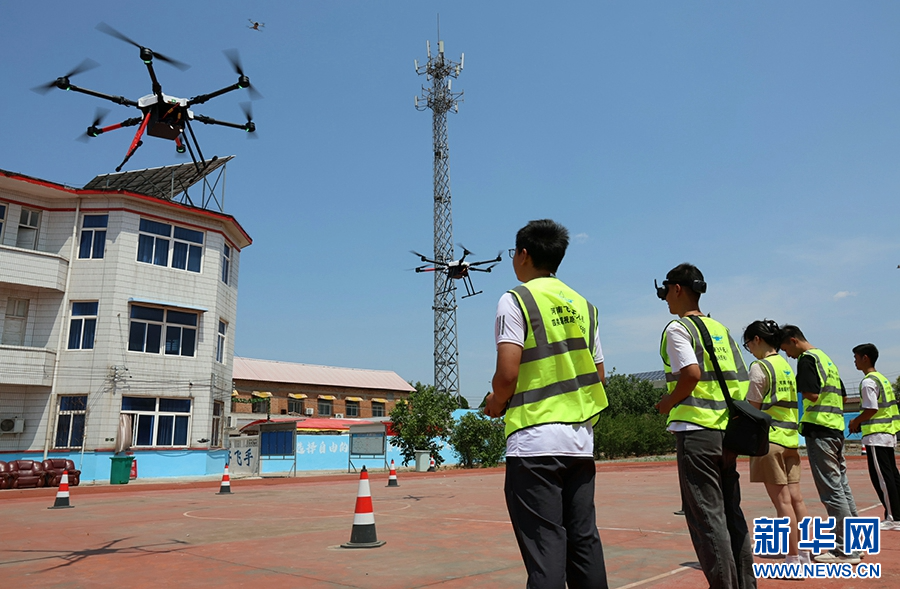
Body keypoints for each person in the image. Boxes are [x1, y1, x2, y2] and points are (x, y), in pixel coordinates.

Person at [484, 219, 609, 589]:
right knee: (584, 541)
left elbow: (507, 374)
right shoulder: (586, 306)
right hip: (580, 442)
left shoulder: (516, 299)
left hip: (535, 442)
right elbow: (599, 376)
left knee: (546, 548)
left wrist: (495, 401)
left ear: (523, 255)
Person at [654, 263, 755, 589]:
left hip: (697, 432)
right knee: (731, 516)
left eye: (665, 291)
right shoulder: (721, 330)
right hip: (729, 433)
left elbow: (691, 374)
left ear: (678, 289)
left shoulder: (679, 328)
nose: (665, 299)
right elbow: (743, 380)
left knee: (707, 520)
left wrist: (666, 403)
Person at [779, 325, 860, 563]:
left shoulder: (806, 360)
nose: (788, 355)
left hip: (820, 430)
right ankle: (856, 544)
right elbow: (843, 397)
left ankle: (844, 550)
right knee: (842, 488)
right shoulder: (826, 359)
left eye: (786, 349)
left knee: (831, 491)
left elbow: (811, 395)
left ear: (794, 341)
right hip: (835, 428)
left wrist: (803, 390)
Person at [741, 320, 810, 565]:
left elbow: (753, 408)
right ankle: (804, 554)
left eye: (748, 344)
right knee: (796, 499)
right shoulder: (786, 365)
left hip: (769, 441)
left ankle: (792, 559)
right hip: (791, 440)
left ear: (757, 340)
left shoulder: (760, 367)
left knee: (782, 503)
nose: (749, 349)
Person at [848, 343, 900, 531]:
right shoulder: (882, 380)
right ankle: (897, 514)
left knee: (883, 478)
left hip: (877, 436)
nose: (854, 361)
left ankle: (893, 517)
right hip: (888, 432)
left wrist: (856, 421)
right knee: (892, 476)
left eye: (856, 357)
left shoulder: (869, 381)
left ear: (865, 358)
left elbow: (871, 409)